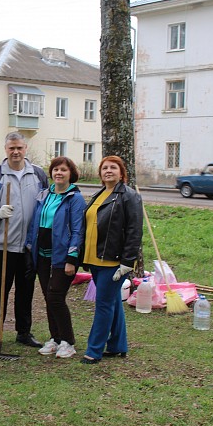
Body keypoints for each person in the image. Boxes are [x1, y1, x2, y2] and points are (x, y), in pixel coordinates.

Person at [0, 132, 48, 351]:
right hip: (4, 244)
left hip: (29, 244)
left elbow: (45, 205)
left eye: (19, 148)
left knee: (26, 289)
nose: (16, 152)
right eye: (12, 148)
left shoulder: (37, 174)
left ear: (25, 148)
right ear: (6, 149)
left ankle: (24, 332)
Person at [80, 156, 143, 364]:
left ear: (121, 172)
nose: (108, 171)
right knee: (113, 301)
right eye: (104, 167)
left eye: (113, 168)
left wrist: (127, 261)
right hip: (94, 259)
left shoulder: (129, 196)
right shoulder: (100, 194)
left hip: (112, 262)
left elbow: (135, 231)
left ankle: (94, 350)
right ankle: (117, 345)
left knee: (104, 304)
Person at [25, 156, 86, 359]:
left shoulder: (74, 198)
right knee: (48, 297)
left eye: (63, 170)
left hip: (62, 256)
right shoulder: (45, 195)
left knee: (55, 297)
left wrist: (72, 257)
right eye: (55, 169)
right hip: (42, 255)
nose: (59, 173)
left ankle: (68, 341)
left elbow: (77, 229)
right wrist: (29, 246)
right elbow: (35, 222)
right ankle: (55, 338)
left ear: (71, 174)